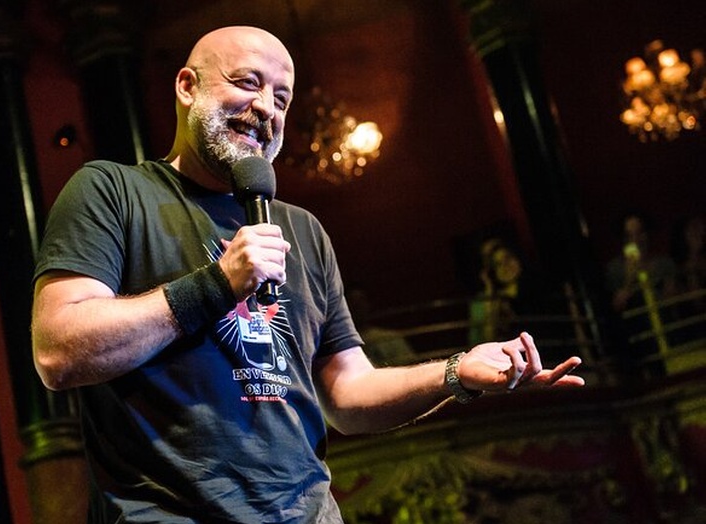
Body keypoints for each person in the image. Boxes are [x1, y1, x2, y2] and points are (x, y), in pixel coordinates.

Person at [30, 26, 585, 523]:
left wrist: (456, 372)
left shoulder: (303, 231)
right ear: (186, 87)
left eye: (282, 97)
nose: (266, 107)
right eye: (248, 82)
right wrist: (216, 285)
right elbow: (59, 351)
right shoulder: (113, 192)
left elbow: (347, 394)